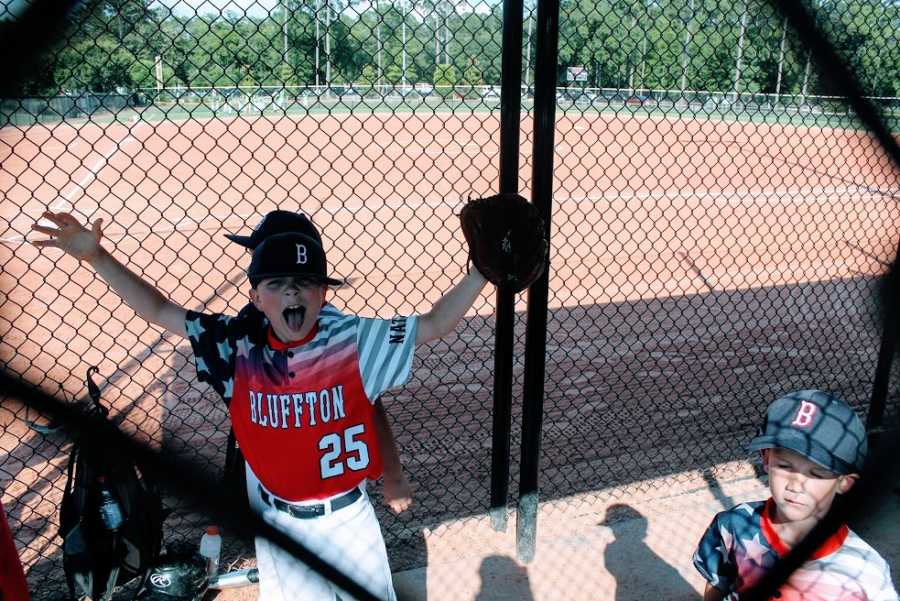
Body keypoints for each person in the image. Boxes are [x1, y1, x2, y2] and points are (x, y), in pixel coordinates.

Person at [30, 210, 488, 601]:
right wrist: (96, 256)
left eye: (306, 283)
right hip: (277, 520)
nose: (292, 294)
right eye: (277, 284)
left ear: (324, 293)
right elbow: (158, 310)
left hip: (348, 518)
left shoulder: (351, 339)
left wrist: (481, 272)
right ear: (255, 295)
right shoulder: (236, 346)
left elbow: (433, 323)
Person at [225, 209, 412, 514]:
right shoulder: (257, 317)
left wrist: (393, 475)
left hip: (323, 478)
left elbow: (370, 405)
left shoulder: (326, 329)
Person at [693, 389, 898, 601]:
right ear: (766, 458)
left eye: (817, 474)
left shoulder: (864, 571)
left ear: (844, 482)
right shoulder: (734, 525)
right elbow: (718, 584)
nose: (796, 485)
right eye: (784, 465)